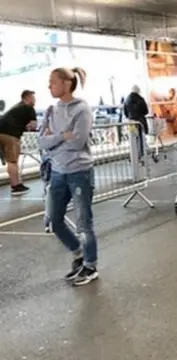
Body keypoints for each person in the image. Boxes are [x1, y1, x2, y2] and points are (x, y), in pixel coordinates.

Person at [38, 67, 99, 286]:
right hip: (57, 172)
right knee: (54, 220)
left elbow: (78, 141)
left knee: (84, 223)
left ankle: (90, 265)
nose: (49, 86)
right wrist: (63, 135)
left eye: (53, 82)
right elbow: (41, 141)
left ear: (66, 83)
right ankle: (78, 253)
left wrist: (54, 139)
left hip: (79, 172)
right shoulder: (51, 110)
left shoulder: (81, 109)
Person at [0, 90, 38, 196]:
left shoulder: (16, 107)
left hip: (2, 132)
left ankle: (16, 184)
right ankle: (16, 186)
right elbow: (33, 126)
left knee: (10, 161)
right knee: (12, 161)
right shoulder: (29, 108)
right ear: (27, 98)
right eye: (33, 98)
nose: (35, 100)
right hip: (10, 134)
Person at [123, 85, 150, 160]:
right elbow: (146, 111)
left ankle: (133, 155)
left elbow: (125, 112)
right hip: (140, 122)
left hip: (131, 122)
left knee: (133, 138)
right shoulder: (141, 99)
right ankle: (140, 154)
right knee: (141, 138)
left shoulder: (126, 100)